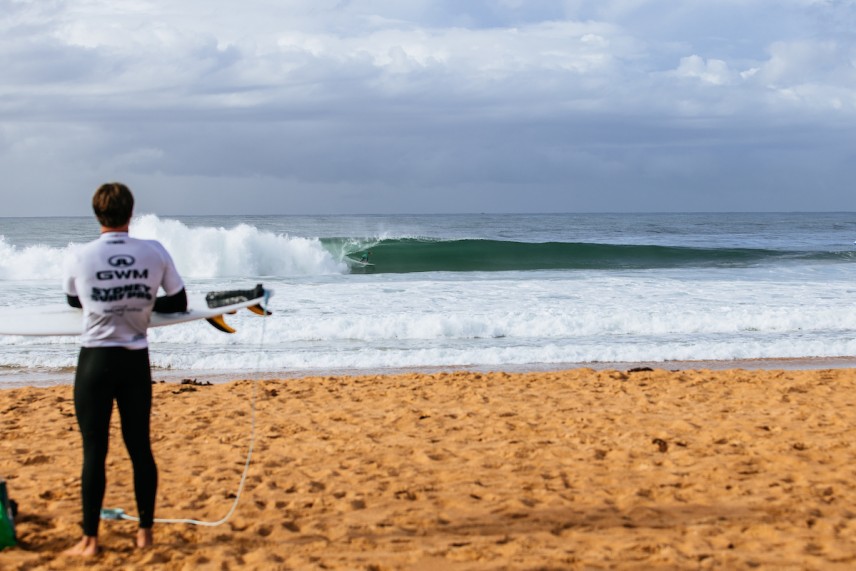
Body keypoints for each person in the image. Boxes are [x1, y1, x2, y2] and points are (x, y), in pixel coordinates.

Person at [61, 183, 187, 556]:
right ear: (131, 213)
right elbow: (179, 301)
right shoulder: (154, 252)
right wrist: (142, 302)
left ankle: (89, 541)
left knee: (94, 450)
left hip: (95, 362)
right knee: (139, 448)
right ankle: (144, 535)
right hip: (134, 360)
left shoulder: (80, 257)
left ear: (97, 214)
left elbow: (73, 299)